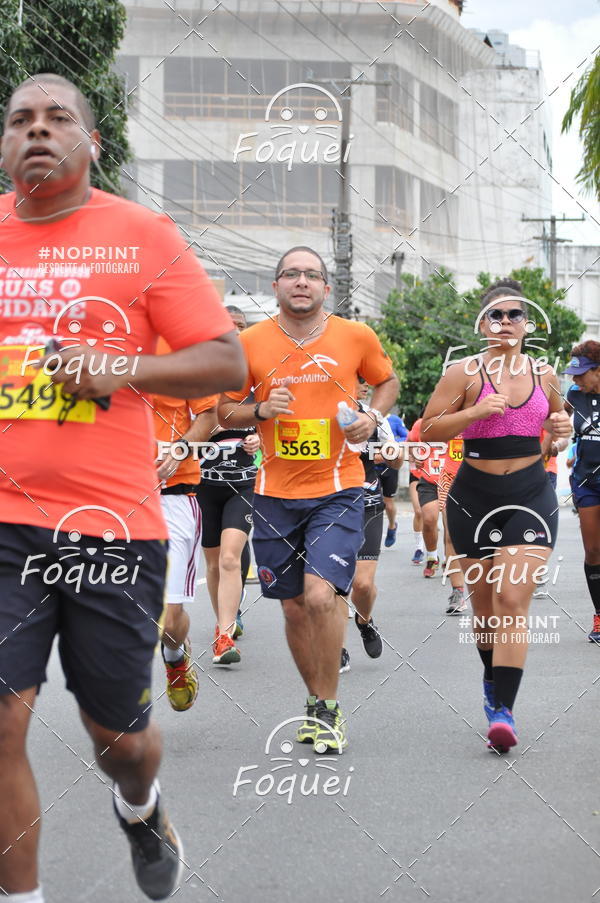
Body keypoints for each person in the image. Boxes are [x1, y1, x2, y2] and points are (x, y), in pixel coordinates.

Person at [0, 73, 245, 903]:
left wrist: (121, 368)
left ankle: (139, 805)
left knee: (122, 738)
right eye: (21, 120)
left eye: (57, 117)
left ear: (91, 143)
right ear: (5, 146)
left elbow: (225, 359)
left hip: (111, 525)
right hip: (3, 521)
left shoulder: (140, 234)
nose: (38, 130)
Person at [218, 246, 398, 753]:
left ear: (326, 287)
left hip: (338, 486)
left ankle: (332, 708)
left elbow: (387, 382)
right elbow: (223, 410)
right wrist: (258, 409)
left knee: (322, 596)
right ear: (276, 286)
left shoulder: (355, 336)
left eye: (312, 275)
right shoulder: (249, 343)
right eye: (291, 274)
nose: (302, 282)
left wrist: (373, 417)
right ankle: (315, 700)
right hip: (274, 492)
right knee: (294, 608)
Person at [422, 278, 570, 752]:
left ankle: (504, 712)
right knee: (485, 610)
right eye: (496, 315)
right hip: (473, 494)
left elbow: (557, 425)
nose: (505, 323)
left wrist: (562, 428)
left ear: (527, 324)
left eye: (515, 315)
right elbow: (429, 428)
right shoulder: (463, 373)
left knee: (511, 599)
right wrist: (475, 412)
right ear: (482, 323)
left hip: (530, 491)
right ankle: (493, 683)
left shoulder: (545, 373)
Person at [152, 339, 218, 710]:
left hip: (174, 498)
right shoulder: (101, 345)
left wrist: (179, 449)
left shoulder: (186, 348)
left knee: (169, 618)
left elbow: (209, 415)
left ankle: (175, 655)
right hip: (115, 498)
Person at [340, 380, 403, 671]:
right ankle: (335, 646)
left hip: (368, 504)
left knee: (363, 585)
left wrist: (391, 454)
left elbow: (397, 459)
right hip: (328, 507)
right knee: (334, 583)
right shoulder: (318, 412)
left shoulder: (374, 416)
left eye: (368, 380)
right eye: (358, 378)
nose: (365, 384)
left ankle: (364, 621)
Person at [564, 342, 600, 642]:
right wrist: (563, 443)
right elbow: (557, 421)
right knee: (593, 550)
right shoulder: (573, 395)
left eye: (582, 374)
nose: (576, 380)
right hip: (586, 479)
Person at [413, 417, 446, 577]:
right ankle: (432, 557)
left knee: (451, 524)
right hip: (428, 480)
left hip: (453, 480)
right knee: (429, 519)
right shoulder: (422, 424)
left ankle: (451, 559)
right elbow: (409, 444)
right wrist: (413, 456)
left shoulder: (461, 420)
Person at [438, 435, 467, 614]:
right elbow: (429, 430)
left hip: (484, 476)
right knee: (451, 534)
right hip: (450, 477)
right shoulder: (449, 409)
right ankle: (458, 592)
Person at [381, 411, 407, 547]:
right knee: (367, 501)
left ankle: (392, 526)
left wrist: (392, 443)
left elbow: (406, 436)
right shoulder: (368, 417)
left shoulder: (395, 420)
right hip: (372, 464)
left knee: (388, 502)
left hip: (390, 465)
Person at [406, 417, 425, 565]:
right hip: (417, 475)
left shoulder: (449, 424)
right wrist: (414, 456)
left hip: (442, 476)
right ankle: (419, 548)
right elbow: (408, 446)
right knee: (418, 511)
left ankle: (445, 556)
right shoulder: (419, 424)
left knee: (444, 517)